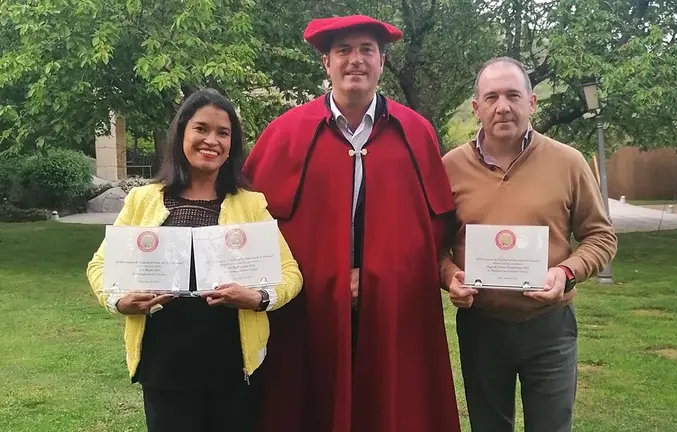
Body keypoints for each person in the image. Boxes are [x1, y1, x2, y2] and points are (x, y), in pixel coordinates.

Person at [241, 14, 461, 432]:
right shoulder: (285, 133)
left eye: (366, 50)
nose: (355, 60)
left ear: (381, 62)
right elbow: (249, 222)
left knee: (392, 407)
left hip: (394, 311)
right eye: (344, 51)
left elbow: (433, 229)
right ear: (326, 63)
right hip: (308, 313)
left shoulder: (416, 133)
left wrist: (377, 275)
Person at [86, 89, 303, 432]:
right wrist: (118, 300)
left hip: (234, 364)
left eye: (223, 132)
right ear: (182, 133)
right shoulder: (143, 200)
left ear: (232, 144)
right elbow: (100, 266)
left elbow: (290, 274)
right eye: (201, 129)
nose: (211, 140)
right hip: (164, 363)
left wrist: (259, 298)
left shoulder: (249, 204)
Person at [440, 57, 618, 432]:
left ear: (531, 102)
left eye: (512, 95)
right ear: (477, 108)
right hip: (481, 326)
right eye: (491, 97)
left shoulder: (568, 162)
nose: (502, 106)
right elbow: (431, 245)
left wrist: (566, 272)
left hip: (549, 328)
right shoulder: (449, 168)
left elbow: (600, 235)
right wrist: (450, 275)